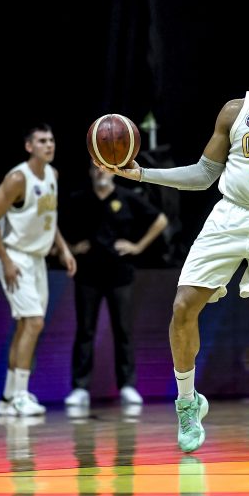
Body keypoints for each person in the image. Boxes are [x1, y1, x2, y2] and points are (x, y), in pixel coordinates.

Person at [97, 37, 249, 455]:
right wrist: (142, 175)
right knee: (182, 308)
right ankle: (188, 402)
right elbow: (203, 174)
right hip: (229, 216)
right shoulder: (236, 111)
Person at [0, 123, 77, 417]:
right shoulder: (17, 178)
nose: (49, 145)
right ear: (29, 146)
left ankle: (8, 399)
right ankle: (21, 395)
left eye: (51, 140)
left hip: (37, 259)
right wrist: (6, 261)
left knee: (27, 325)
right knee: (34, 322)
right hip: (15, 256)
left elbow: (48, 218)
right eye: (42, 141)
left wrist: (63, 248)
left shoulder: (53, 175)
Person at [62, 164, 169, 409]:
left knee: (123, 330)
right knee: (85, 331)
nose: (100, 172)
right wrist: (69, 248)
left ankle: (127, 386)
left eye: (105, 168)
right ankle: (80, 388)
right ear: (90, 172)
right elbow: (52, 223)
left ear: (113, 172)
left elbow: (161, 220)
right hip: (87, 274)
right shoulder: (79, 199)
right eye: (95, 168)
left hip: (120, 274)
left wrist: (138, 246)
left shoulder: (127, 197)